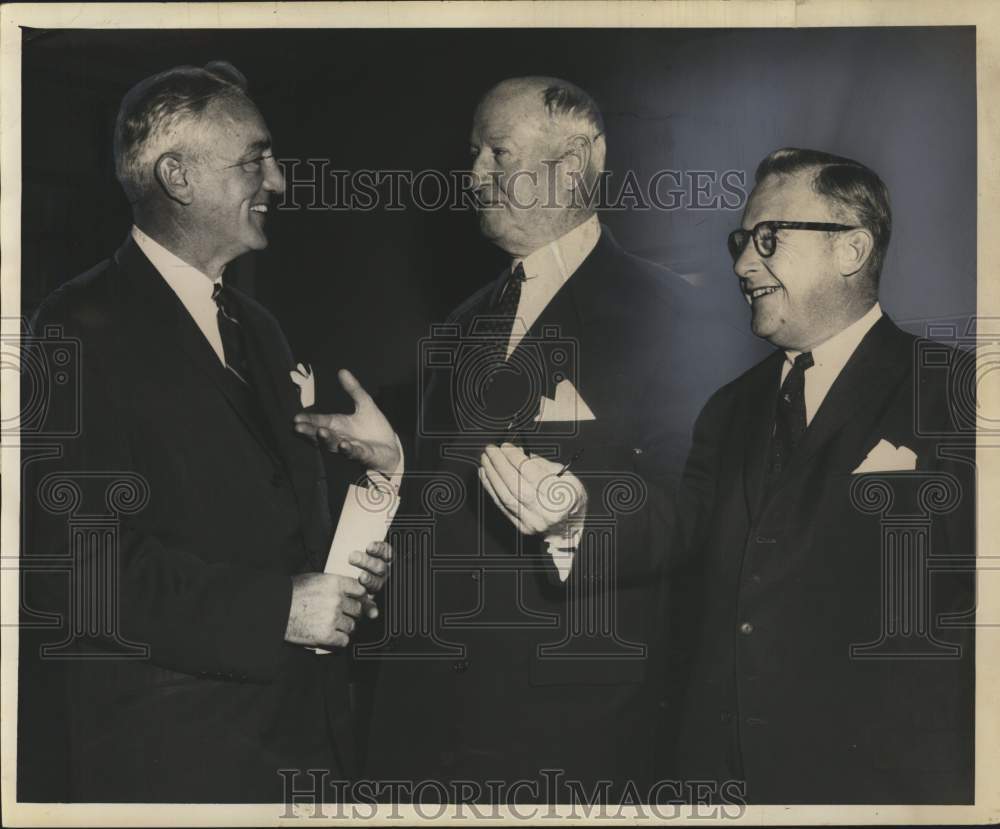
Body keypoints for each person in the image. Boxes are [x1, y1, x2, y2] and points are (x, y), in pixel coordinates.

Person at [296, 76, 742, 800]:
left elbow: (693, 512)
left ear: (574, 164)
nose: (473, 176)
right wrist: (398, 467)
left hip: (565, 731)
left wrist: (576, 519)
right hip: (422, 726)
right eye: (474, 154)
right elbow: (454, 510)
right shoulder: (460, 324)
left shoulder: (676, 318)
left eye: (496, 153)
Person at [19, 61, 394, 803]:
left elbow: (272, 526)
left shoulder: (261, 329)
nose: (280, 181)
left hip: (303, 743)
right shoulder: (76, 325)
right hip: (175, 763)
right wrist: (278, 609)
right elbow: (80, 567)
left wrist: (371, 503)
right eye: (255, 158)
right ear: (178, 176)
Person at [672, 147, 975, 803]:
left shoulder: (959, 393)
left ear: (852, 249)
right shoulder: (727, 410)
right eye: (740, 241)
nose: (743, 263)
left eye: (768, 238)